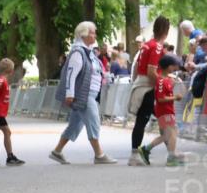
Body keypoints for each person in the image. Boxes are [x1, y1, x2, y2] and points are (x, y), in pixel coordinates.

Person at [49, 21, 117, 165]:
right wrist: (69, 93)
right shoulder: (78, 52)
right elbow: (71, 74)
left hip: (87, 93)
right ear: (84, 34)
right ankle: (99, 155)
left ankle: (57, 151)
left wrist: (105, 76)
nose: (95, 35)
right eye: (92, 32)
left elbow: (94, 71)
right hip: (84, 95)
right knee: (93, 122)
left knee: (75, 124)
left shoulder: (87, 52)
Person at [128, 16, 170, 166]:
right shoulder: (157, 47)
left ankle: (171, 153)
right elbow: (151, 71)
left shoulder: (146, 45)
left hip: (143, 85)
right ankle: (170, 154)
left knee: (160, 120)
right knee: (158, 120)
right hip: (149, 88)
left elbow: (138, 69)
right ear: (166, 30)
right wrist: (163, 83)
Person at [137, 55, 185, 167]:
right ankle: (171, 158)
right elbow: (160, 98)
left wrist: (172, 86)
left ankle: (146, 149)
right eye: (173, 66)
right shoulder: (161, 81)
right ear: (168, 67)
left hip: (168, 110)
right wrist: (175, 97)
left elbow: (166, 93)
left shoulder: (167, 80)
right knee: (172, 134)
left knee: (167, 135)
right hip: (165, 111)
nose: (175, 68)